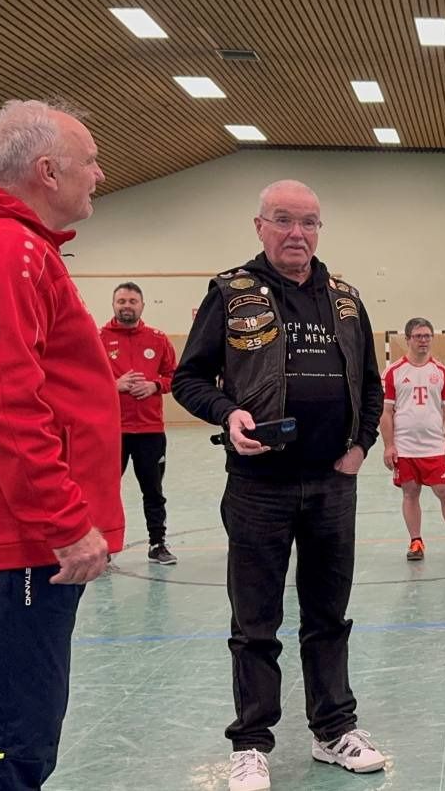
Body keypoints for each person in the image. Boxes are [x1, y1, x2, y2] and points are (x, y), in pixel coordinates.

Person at [0, 99, 121, 789]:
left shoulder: (11, 246)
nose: (100, 173)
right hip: (22, 538)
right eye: (89, 160)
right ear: (47, 171)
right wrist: (64, 522)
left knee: (17, 726)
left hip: (20, 535)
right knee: (13, 739)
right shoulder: (5, 249)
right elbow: (8, 402)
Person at [172, 180, 386, 791]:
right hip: (257, 487)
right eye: (284, 220)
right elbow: (188, 379)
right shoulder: (230, 292)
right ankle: (251, 743)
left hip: (332, 485)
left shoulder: (346, 299)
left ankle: (333, 729)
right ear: (259, 226)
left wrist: (360, 446)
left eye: (309, 222)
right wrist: (227, 414)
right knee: (255, 621)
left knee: (328, 615)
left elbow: (370, 384)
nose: (298, 233)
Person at [102, 281, 179, 565]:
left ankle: (157, 543)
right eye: (121, 301)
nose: (127, 306)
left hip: (150, 431)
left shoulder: (158, 339)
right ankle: (103, 546)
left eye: (132, 301)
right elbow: (85, 382)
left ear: (142, 305)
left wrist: (155, 385)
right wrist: (114, 385)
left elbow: (175, 377)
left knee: (153, 491)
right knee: (106, 491)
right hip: (112, 431)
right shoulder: (97, 339)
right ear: (113, 305)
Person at [382, 318, 445, 560]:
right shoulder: (393, 372)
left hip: (434, 446)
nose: (423, 340)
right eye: (418, 336)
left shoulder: (442, 372)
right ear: (407, 339)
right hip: (405, 447)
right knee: (410, 492)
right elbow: (385, 412)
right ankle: (416, 542)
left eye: (427, 336)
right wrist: (389, 446)